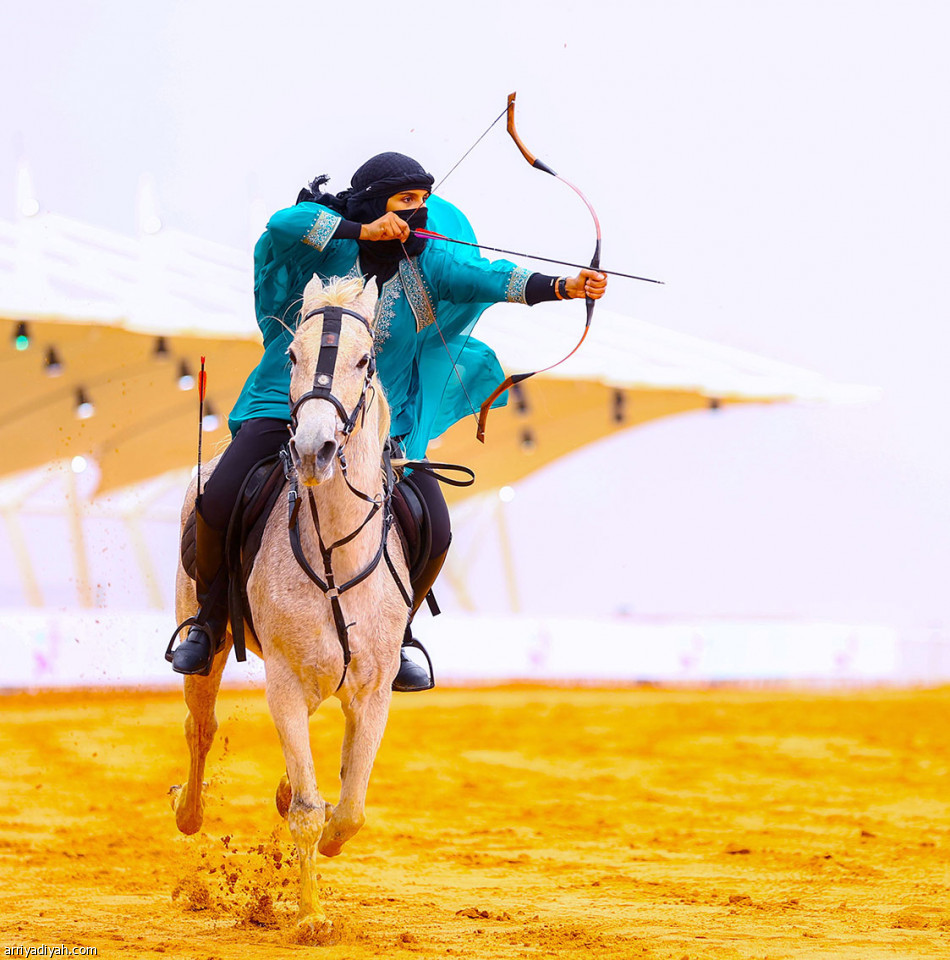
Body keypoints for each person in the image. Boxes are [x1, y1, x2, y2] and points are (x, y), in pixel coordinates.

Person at [169, 152, 606, 689]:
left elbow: (489, 277)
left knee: (437, 528)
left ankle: (396, 635)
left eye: (423, 202)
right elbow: (281, 224)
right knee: (217, 500)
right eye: (406, 202)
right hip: (285, 405)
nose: (418, 213)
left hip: (379, 425)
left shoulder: (430, 263)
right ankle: (209, 621)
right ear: (375, 204)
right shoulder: (329, 241)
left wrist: (564, 286)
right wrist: (362, 229)